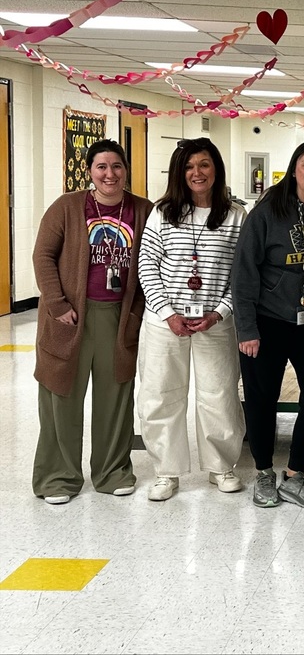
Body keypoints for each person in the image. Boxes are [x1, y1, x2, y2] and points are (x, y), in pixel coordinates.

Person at [32, 139, 153, 505]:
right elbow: (42, 255)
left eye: (116, 166)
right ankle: (58, 476)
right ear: (89, 171)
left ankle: (112, 470)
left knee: (115, 397)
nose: (109, 174)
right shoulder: (68, 207)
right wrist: (56, 303)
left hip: (118, 319)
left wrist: (138, 311)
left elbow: (153, 263)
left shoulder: (143, 211)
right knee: (60, 394)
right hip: (70, 318)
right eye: (101, 166)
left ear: (126, 170)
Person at [232, 141, 304, 509]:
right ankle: (263, 473)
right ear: (294, 168)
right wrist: (246, 329)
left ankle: (295, 475)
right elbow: (244, 272)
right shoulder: (267, 211)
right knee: (261, 399)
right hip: (267, 322)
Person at [136, 138, 247, 502]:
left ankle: (221, 466)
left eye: (204, 165)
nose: (196, 173)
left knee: (220, 394)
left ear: (216, 168)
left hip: (215, 321)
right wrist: (168, 313)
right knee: (161, 395)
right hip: (165, 322)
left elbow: (242, 274)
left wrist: (220, 312)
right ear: (179, 173)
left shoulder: (234, 215)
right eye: (188, 167)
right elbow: (147, 265)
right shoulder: (162, 212)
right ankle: (167, 473)